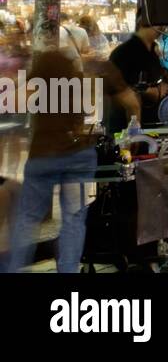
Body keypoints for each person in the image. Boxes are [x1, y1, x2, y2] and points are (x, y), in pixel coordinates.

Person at [4, 47, 134, 273]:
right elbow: (129, 101)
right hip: (79, 157)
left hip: (43, 157)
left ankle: (12, 268)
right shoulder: (82, 82)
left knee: (27, 219)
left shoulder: (41, 80)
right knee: (73, 219)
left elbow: (14, 103)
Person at [107, 23, 168, 133]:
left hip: (147, 126)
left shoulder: (152, 50)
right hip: (127, 128)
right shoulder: (125, 52)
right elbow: (117, 89)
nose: (163, 28)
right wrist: (151, 91)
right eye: (159, 24)